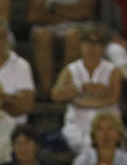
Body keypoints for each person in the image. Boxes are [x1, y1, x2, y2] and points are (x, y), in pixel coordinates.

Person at [51, 22, 122, 154]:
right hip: (77, 125)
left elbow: (113, 98)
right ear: (81, 45)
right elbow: (56, 94)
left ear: (103, 47)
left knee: (99, 140)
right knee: (85, 144)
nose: (92, 47)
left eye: (96, 43)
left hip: (106, 123)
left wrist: (83, 102)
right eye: (88, 42)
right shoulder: (71, 70)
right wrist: (82, 88)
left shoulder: (113, 70)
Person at [27, 0, 96, 95]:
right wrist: (70, 13)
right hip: (48, 24)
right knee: (41, 35)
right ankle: (47, 91)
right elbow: (34, 15)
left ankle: (66, 88)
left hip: (78, 26)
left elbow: (85, 12)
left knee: (73, 35)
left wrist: (53, 8)